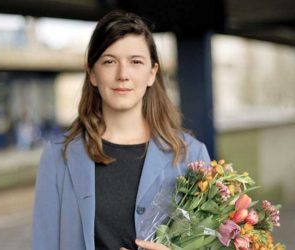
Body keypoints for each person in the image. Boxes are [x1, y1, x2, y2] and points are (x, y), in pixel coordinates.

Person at [32, 10, 210, 250]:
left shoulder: (191, 156)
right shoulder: (58, 157)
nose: (122, 75)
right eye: (109, 61)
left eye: (135, 62)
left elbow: (210, 242)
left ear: (152, 73)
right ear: (92, 74)